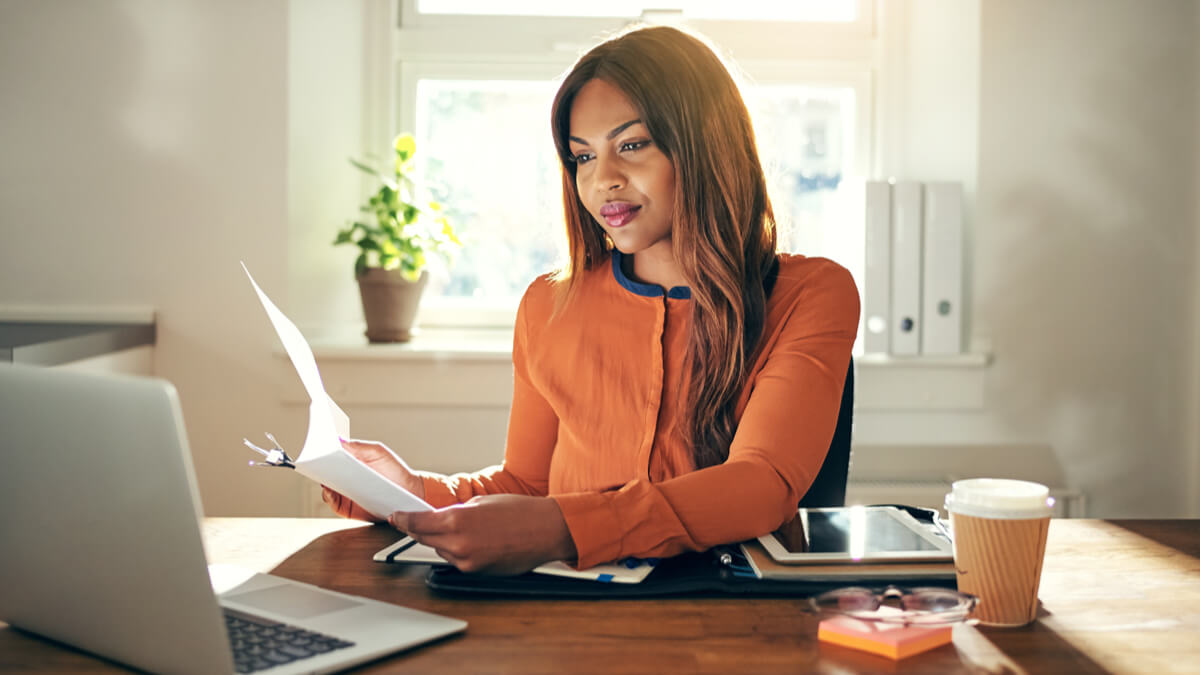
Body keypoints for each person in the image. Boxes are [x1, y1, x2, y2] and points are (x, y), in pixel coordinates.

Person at [323, 25, 859, 576]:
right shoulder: (547, 305)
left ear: (706, 143)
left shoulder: (813, 293)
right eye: (582, 157)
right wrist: (411, 492)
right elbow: (527, 486)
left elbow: (761, 484)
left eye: (632, 145)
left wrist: (562, 528)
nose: (603, 180)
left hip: (729, 609)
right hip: (570, 607)